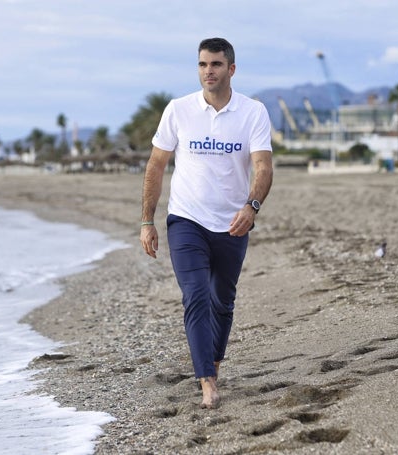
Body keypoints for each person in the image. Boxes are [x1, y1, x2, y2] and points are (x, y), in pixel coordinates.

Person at [140, 37, 273, 409]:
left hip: (233, 222)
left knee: (222, 300)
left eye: (215, 64)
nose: (207, 71)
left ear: (231, 69)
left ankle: (212, 362)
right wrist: (147, 221)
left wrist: (252, 206)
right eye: (202, 64)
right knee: (195, 295)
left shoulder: (253, 112)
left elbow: (263, 166)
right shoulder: (178, 110)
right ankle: (206, 381)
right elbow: (156, 165)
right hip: (186, 219)